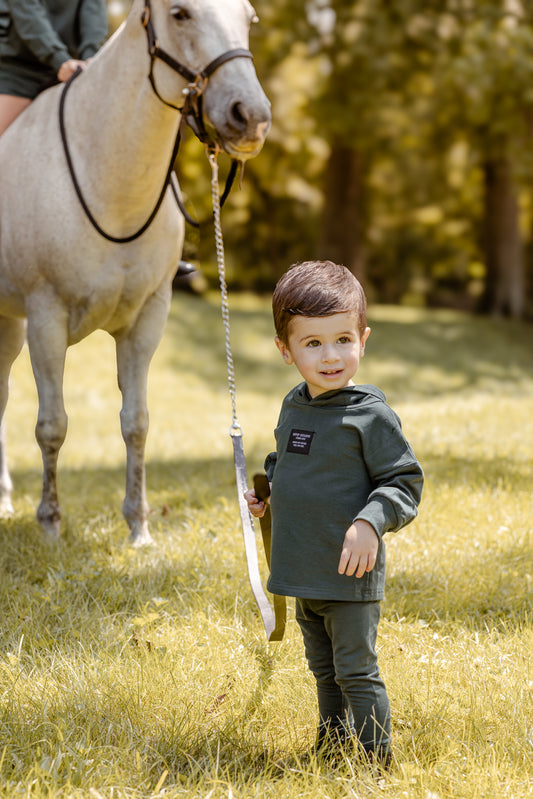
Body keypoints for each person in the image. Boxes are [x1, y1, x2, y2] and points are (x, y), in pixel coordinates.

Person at [244, 260, 424, 769]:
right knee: (322, 668)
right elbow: (287, 461)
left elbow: (404, 480)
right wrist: (269, 492)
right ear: (286, 350)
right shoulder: (294, 406)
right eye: (313, 343)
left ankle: (373, 764)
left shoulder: (370, 415)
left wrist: (370, 522)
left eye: (343, 339)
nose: (331, 356)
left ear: (363, 339)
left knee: (355, 670)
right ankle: (331, 747)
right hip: (305, 568)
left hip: (349, 574)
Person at [0, 0, 108, 135]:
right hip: (17, 70)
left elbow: (94, 15)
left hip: (72, 70)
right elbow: (29, 18)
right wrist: (61, 60)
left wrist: (90, 60)